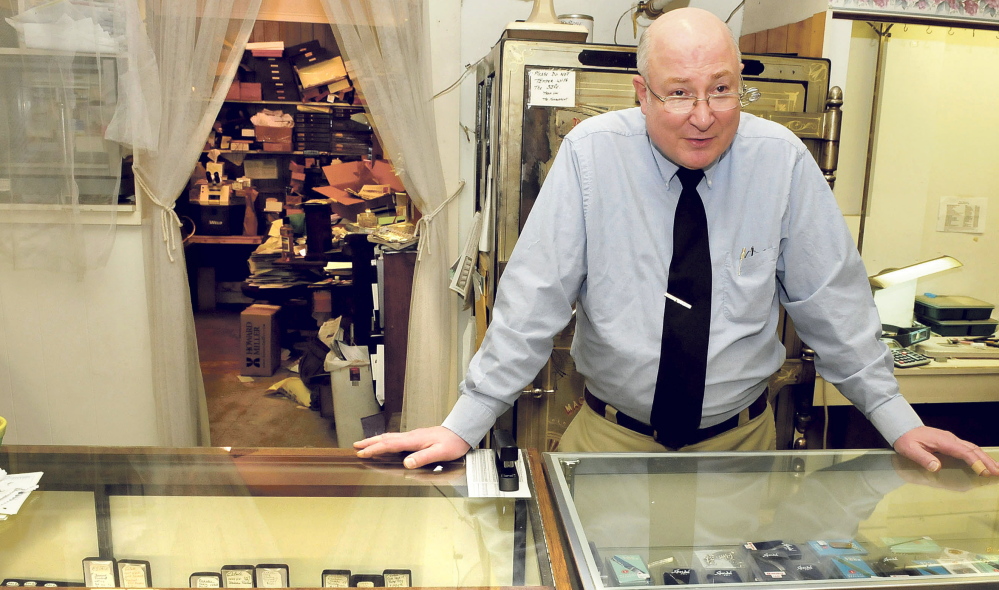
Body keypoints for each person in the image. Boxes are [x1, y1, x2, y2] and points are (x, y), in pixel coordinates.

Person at [356, 7, 998, 476]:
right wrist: (463, 426)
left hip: (742, 449)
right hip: (609, 443)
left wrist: (898, 422)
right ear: (641, 93)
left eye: (722, 89)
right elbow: (531, 303)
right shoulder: (589, 156)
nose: (704, 114)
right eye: (679, 94)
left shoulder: (782, 162)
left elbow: (833, 304)